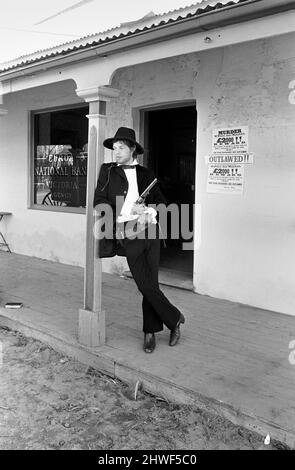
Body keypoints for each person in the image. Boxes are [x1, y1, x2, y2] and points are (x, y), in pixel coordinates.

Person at [93, 127, 185, 353]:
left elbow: (162, 204)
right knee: (144, 283)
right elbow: (99, 201)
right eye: (114, 148)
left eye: (121, 147)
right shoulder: (107, 171)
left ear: (133, 149)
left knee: (150, 282)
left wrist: (146, 209)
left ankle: (149, 332)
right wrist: (120, 220)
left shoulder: (146, 174)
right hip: (129, 233)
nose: (116, 152)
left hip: (150, 231)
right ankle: (174, 318)